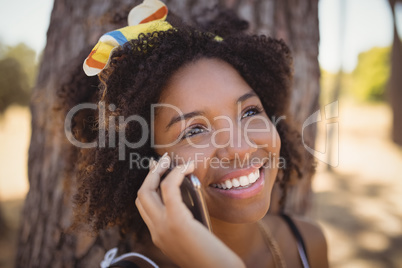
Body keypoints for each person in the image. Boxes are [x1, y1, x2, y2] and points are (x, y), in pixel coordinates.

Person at [68, 0, 328, 267]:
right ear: (150, 162)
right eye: (195, 130)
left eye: (250, 112)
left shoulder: (307, 243)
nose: (241, 149)